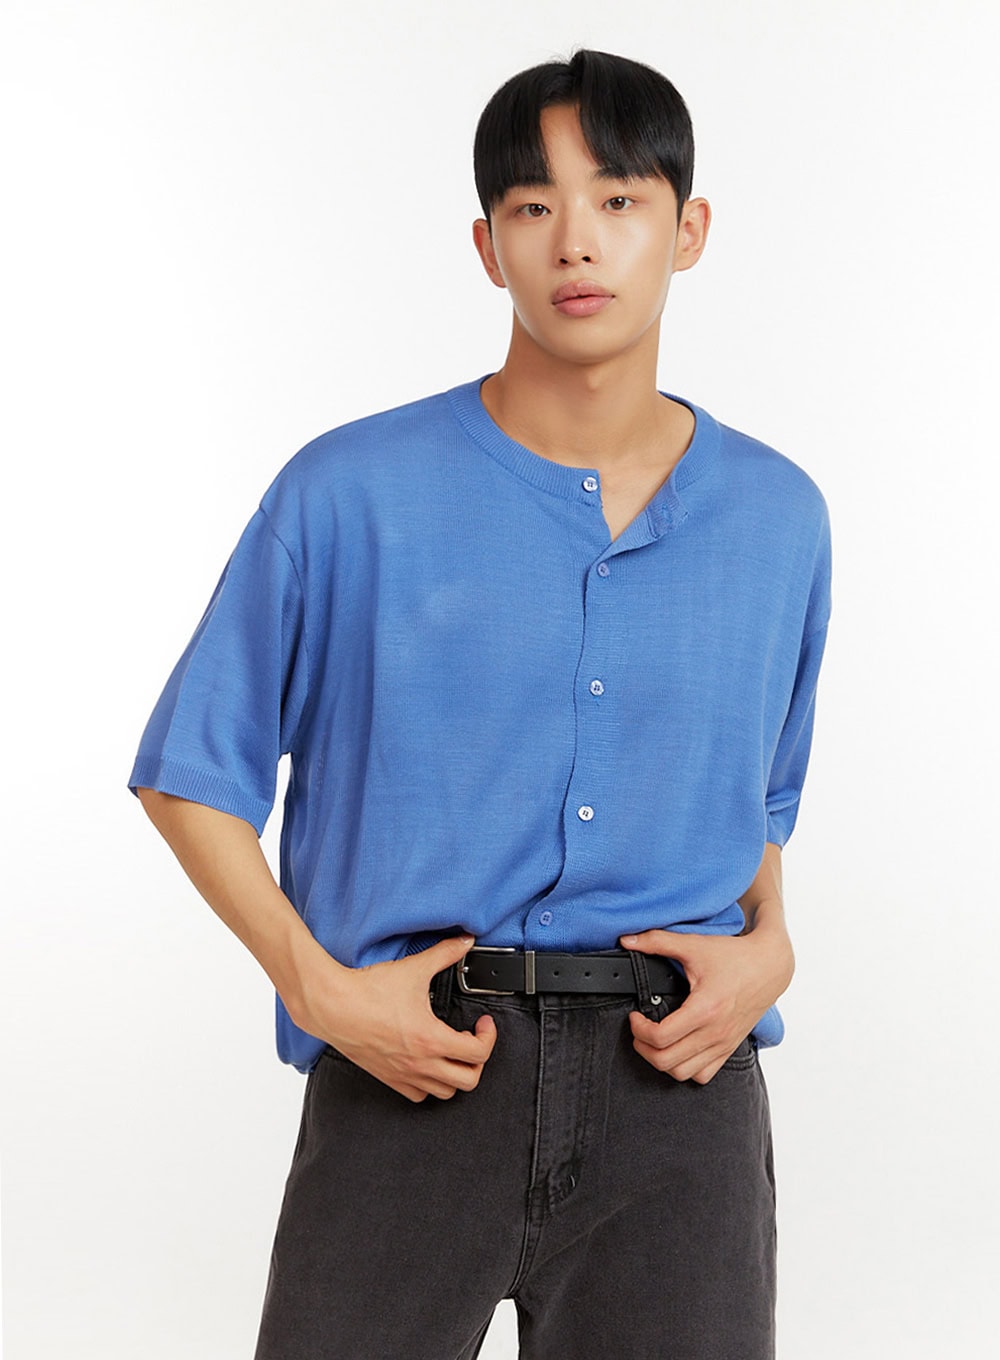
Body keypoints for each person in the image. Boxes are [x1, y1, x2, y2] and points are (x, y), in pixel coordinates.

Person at [129, 46, 831, 1360]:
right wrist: (321, 993)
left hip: (677, 1094)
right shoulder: (348, 494)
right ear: (486, 243)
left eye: (619, 200)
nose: (578, 241)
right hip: (414, 1067)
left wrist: (774, 941)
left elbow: (759, 799)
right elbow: (190, 773)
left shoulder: (780, 517)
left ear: (689, 231)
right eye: (533, 205)